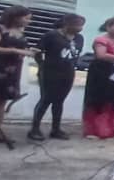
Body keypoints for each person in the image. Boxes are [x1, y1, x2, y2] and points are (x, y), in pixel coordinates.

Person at [0, 5, 34, 145]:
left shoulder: (21, 31)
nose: (29, 22)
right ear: (16, 17)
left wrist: (27, 51)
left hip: (13, 71)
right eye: (26, 18)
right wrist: (15, 51)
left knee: (2, 102)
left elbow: (20, 49)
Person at [29, 13, 85, 141]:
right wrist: (42, 66)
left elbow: (76, 54)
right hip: (50, 72)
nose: (80, 28)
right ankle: (34, 129)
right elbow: (38, 52)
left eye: (82, 25)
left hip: (68, 72)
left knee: (59, 101)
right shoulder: (51, 35)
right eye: (77, 25)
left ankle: (56, 129)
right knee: (45, 100)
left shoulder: (79, 38)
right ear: (67, 23)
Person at [83, 18, 114, 140]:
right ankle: (92, 131)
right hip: (100, 72)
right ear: (108, 27)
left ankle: (107, 130)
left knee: (112, 100)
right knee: (96, 100)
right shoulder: (101, 40)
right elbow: (101, 55)